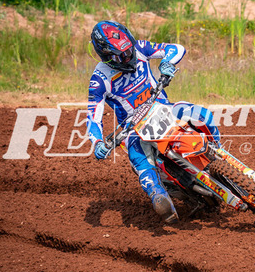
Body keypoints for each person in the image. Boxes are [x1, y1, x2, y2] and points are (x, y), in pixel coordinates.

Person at [87, 20, 220, 223]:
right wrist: (97, 143)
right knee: (139, 160)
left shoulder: (140, 48)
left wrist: (167, 63)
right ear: (107, 56)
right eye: (122, 55)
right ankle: (159, 196)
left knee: (203, 116)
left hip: (164, 109)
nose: (129, 56)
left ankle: (218, 155)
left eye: (129, 49)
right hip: (134, 128)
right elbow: (93, 118)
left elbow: (176, 48)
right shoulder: (99, 80)